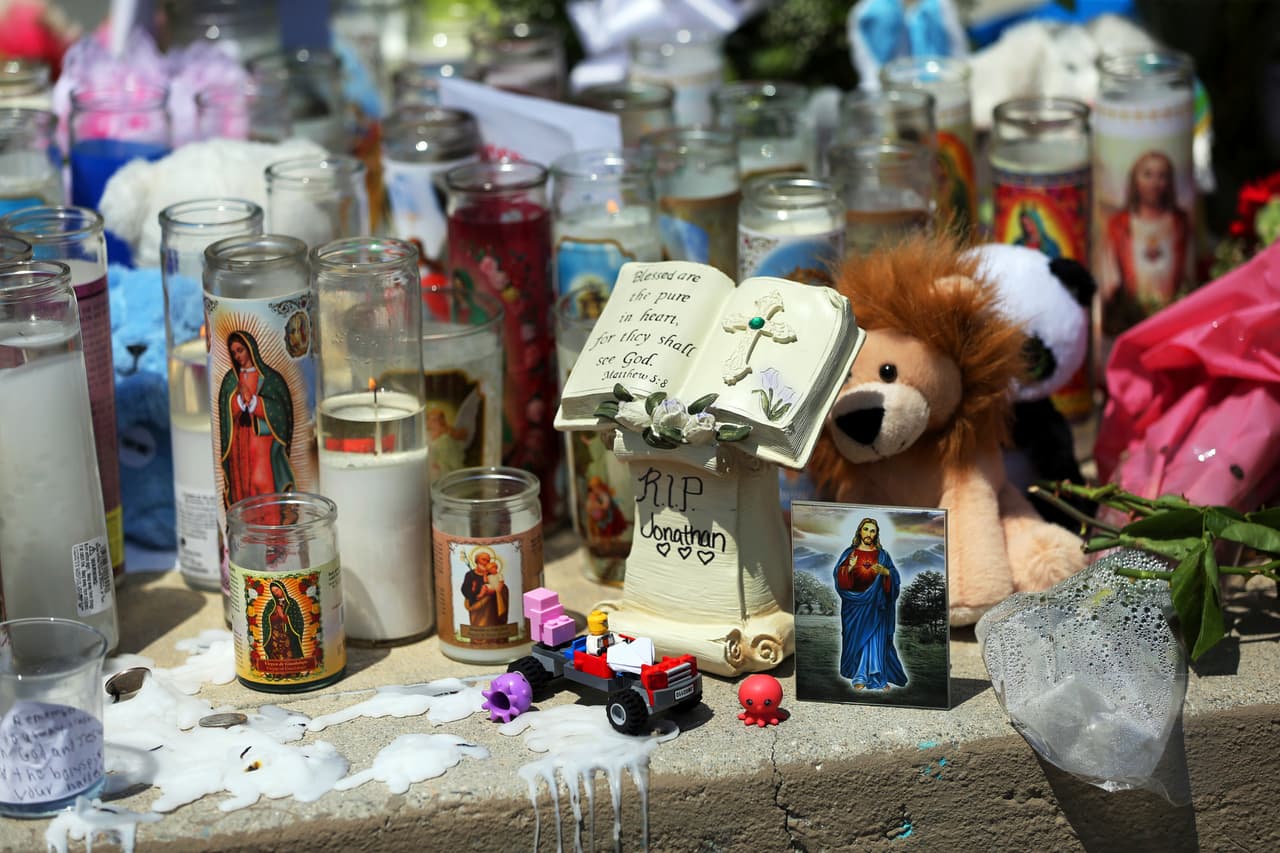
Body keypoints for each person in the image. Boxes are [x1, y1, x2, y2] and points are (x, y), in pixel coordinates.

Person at [1103, 150, 1190, 334]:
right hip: (1130, 320)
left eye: (1162, 176)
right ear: (1135, 180)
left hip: (1172, 318)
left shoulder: (1179, 222)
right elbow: (1110, 277)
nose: (1154, 184)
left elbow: (1187, 274)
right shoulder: (1120, 225)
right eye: (1147, 175)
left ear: (1169, 182)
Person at [217, 329, 296, 510]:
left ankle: (273, 533)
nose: (237, 356)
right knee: (243, 488)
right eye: (234, 352)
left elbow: (281, 412)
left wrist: (254, 402)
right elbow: (224, 411)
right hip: (238, 445)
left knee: (262, 484)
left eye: (240, 350)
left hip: (262, 445)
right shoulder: (230, 380)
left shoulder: (270, 379)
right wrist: (237, 401)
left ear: (251, 349)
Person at [833, 517, 907, 691]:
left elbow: (895, 577)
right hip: (854, 606)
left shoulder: (883, 555)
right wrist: (849, 568)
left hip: (877, 605)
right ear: (860, 531)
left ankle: (878, 677)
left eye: (872, 531)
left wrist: (886, 571)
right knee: (858, 639)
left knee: (875, 640)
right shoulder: (849, 553)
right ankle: (859, 675)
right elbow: (839, 578)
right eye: (866, 529)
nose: (869, 534)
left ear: (876, 534)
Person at [460, 549, 508, 627]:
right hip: (476, 606)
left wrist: (495, 592)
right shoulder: (469, 575)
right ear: (476, 561)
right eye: (483, 560)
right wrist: (473, 590)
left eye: (488, 561)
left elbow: (503, 588)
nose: (486, 563)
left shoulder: (492, 574)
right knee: (478, 626)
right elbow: (464, 589)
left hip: (492, 608)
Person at [261, 581, 305, 660]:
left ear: (282, 589)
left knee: (289, 655)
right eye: (273, 592)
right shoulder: (271, 604)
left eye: (277, 590)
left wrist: (283, 616)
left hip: (288, 636)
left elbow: (298, 620)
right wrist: (273, 616)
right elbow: (265, 619)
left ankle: (293, 671)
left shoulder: (291, 603)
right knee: (275, 656)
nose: (276, 593)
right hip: (274, 637)